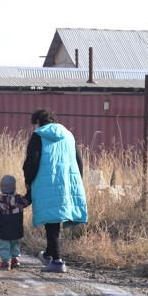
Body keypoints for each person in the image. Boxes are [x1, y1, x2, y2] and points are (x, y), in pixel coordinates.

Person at [22, 107, 88, 273]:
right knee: (55, 219)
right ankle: (48, 255)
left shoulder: (39, 135)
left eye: (34, 124)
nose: (34, 128)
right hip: (67, 181)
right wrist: (77, 181)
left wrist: (28, 180)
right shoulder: (68, 134)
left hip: (46, 181)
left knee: (51, 222)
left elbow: (32, 160)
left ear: (37, 122)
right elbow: (79, 161)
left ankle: (57, 261)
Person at [0, 175, 32, 270]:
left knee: (4, 245)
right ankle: (15, 258)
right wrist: (30, 191)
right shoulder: (19, 199)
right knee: (15, 243)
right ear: (14, 186)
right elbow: (28, 201)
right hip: (16, 229)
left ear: (1, 187)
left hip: (3, 230)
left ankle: (6, 262)